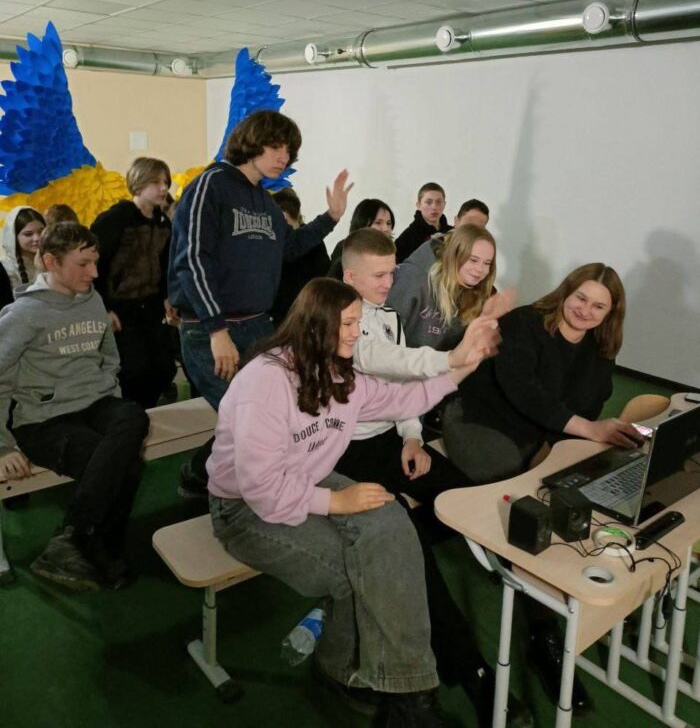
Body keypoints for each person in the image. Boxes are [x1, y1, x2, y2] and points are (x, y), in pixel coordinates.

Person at [207, 277, 477, 727]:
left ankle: (408, 692)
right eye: (348, 324)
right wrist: (336, 502)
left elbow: (404, 398)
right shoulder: (266, 382)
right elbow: (261, 489)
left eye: (357, 322)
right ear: (316, 325)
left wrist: (464, 364)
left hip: (304, 479)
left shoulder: (338, 373)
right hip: (242, 508)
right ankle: (340, 670)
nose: (357, 332)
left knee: (394, 524)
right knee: (357, 571)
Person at [338, 229, 530, 727]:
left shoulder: (384, 313)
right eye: (379, 275)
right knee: (415, 555)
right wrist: (457, 355)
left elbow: (403, 385)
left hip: (389, 439)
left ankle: (538, 612)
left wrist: (412, 437)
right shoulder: (340, 320)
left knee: (470, 497)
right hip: (345, 452)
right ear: (349, 276)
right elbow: (390, 360)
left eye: (392, 272)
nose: (390, 282)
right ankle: (472, 672)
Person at [445, 263, 644, 715]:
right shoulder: (525, 323)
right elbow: (522, 390)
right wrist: (573, 434)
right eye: (581, 298)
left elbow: (590, 403)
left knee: (567, 490)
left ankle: (563, 608)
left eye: (598, 306)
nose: (585, 311)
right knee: (528, 507)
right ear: (565, 292)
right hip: (482, 421)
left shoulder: (600, 347)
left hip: (542, 431)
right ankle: (542, 633)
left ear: (611, 314)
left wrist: (554, 445)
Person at [168, 110, 352, 498]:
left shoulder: (265, 202)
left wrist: (331, 218)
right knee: (251, 420)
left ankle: (205, 477)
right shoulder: (211, 185)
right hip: (211, 328)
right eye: (275, 146)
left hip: (256, 325)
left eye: (289, 150)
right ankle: (212, 485)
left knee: (269, 416)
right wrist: (217, 330)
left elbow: (289, 249)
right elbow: (192, 260)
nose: (283, 156)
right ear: (251, 142)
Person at [0, 223, 149, 591]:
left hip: (96, 404)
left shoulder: (92, 299)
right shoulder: (23, 314)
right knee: (127, 464)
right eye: (83, 264)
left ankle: (73, 536)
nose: (94, 273)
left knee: (133, 416)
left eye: (95, 262)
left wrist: (108, 389)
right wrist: (3, 445)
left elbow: (109, 357)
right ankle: (101, 549)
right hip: (43, 421)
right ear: (51, 262)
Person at [91, 156, 176, 409]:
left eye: (165, 182)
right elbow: (95, 267)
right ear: (138, 183)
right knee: (133, 369)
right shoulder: (114, 220)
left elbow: (165, 266)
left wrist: (166, 296)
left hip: (151, 307)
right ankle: (129, 415)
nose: (163, 188)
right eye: (156, 182)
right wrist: (103, 307)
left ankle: (143, 411)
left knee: (163, 367)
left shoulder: (164, 224)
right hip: (120, 308)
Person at [389, 224, 496, 351]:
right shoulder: (412, 278)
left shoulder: (477, 291)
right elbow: (384, 339)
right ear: (454, 255)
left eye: (487, 263)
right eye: (473, 260)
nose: (480, 269)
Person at [270, 188, 331, 325]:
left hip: (300, 319)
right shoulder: (314, 241)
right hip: (312, 316)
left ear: (282, 216)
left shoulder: (280, 244)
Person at [327, 197, 395, 278]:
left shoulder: (391, 252)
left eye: (388, 223)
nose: (386, 228)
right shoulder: (345, 249)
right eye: (378, 223)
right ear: (362, 224)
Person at [394, 183, 450, 263]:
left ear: (444, 204)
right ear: (418, 205)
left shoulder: (452, 233)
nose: (434, 207)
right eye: (428, 202)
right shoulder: (408, 237)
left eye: (438, 202)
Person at [0, 206, 45, 293]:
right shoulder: (4, 268)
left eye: (41, 231)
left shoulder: (54, 258)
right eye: (28, 234)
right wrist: (40, 271)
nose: (37, 238)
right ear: (13, 237)